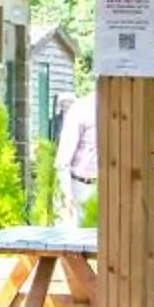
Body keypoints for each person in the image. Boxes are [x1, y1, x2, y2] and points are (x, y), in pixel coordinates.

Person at [53, 86, 99, 226]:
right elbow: (63, 160)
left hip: (113, 188)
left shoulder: (122, 108)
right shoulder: (81, 110)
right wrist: (67, 195)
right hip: (83, 188)